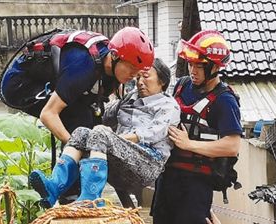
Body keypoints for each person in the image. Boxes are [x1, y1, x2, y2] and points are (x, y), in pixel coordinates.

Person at [151, 30, 242, 224]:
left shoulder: (224, 100)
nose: (192, 70)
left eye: (199, 66)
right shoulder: (179, 86)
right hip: (167, 180)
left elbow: (231, 145)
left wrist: (190, 145)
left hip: (195, 186)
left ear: (214, 67)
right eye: (190, 64)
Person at [29, 58, 180, 208]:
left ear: (162, 81)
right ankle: (54, 186)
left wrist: (114, 138)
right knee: (81, 132)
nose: (140, 81)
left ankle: (90, 198)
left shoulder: (169, 106)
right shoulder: (130, 98)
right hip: (121, 159)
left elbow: (153, 133)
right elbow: (103, 115)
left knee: (101, 133)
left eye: (146, 76)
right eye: (138, 77)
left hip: (148, 162)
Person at [0, 27, 154, 145]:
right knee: (80, 120)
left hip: (61, 78)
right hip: (20, 84)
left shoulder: (111, 69)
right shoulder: (83, 67)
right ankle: (64, 181)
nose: (133, 76)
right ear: (114, 56)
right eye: (131, 69)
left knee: (94, 124)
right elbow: (48, 114)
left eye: (138, 72)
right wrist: (75, 147)